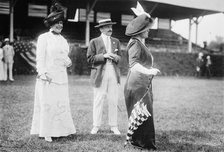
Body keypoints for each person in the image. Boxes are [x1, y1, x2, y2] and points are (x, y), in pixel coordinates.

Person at [30, 3, 76, 142]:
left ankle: (61, 130)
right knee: (48, 104)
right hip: (48, 77)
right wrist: (43, 73)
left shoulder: (63, 40)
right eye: (57, 23)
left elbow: (64, 57)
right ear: (51, 24)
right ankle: (46, 131)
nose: (59, 25)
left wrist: (68, 61)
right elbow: (40, 58)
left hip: (61, 77)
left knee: (61, 104)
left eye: (61, 23)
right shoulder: (43, 38)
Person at [124, 12, 160, 150]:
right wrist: (149, 71)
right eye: (147, 29)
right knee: (144, 112)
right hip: (137, 84)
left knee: (142, 112)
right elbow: (133, 65)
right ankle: (145, 143)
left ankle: (139, 141)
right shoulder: (135, 43)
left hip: (141, 83)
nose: (149, 30)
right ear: (141, 31)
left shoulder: (139, 42)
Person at [87, 19, 121, 135]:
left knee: (113, 100)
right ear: (101, 29)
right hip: (99, 73)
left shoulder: (116, 41)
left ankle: (114, 126)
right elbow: (89, 59)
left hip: (113, 72)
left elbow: (120, 58)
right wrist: (104, 56)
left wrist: (114, 57)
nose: (110, 28)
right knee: (98, 99)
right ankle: (96, 126)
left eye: (111, 26)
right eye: (107, 26)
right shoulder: (94, 41)